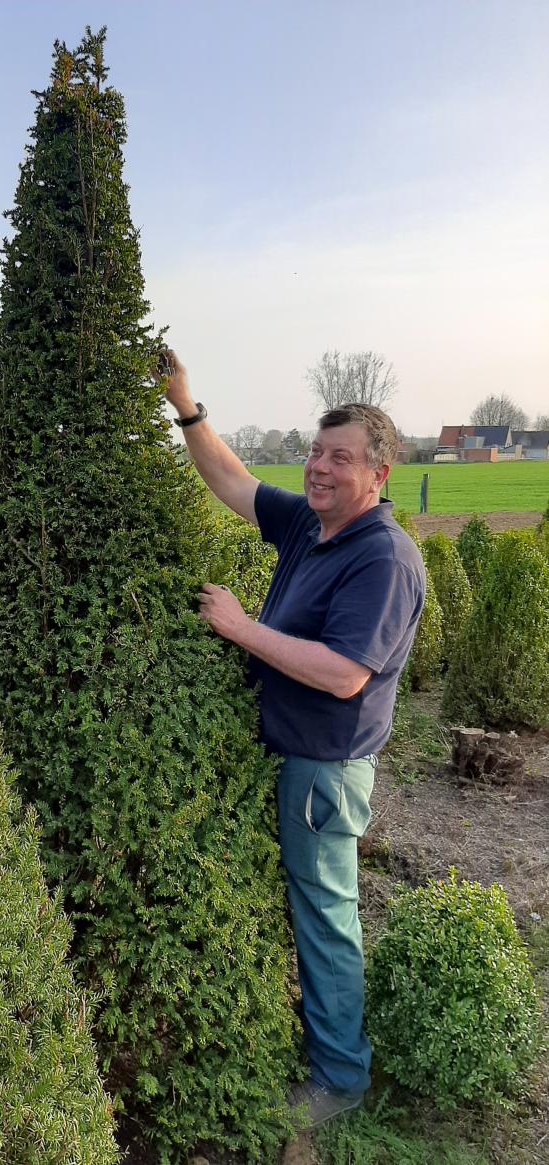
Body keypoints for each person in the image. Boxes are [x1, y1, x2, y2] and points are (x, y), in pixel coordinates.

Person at [161, 349, 425, 1128]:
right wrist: (185, 404)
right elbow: (232, 481)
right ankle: (309, 1040)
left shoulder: (382, 558)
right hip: (287, 755)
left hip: (322, 772)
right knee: (307, 909)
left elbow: (345, 673)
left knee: (325, 915)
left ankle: (340, 1078)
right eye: (315, 450)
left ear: (376, 475)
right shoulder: (314, 527)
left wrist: (243, 629)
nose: (319, 467)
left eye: (339, 458)